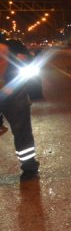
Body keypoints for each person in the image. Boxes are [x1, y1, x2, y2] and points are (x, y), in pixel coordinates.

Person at [0, 34, 38, 180]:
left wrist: (24, 58)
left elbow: (30, 61)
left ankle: (29, 167)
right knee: (22, 132)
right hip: (12, 94)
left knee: (22, 131)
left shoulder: (14, 46)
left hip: (14, 94)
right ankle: (29, 168)